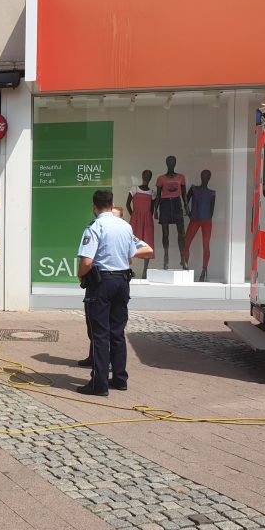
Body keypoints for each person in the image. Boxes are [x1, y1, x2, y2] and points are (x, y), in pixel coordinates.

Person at [77, 190, 153, 396]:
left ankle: (99, 384)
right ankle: (119, 379)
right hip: (122, 282)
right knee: (117, 333)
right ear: (111, 205)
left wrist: (80, 276)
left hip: (102, 283)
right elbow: (131, 255)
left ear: (94, 206)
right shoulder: (126, 226)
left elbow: (86, 262)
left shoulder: (95, 227)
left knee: (100, 334)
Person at [184, 169, 216, 282]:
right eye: (203, 176)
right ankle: (185, 267)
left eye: (207, 176)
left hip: (206, 220)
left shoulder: (212, 193)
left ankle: (204, 270)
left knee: (206, 246)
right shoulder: (194, 189)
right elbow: (185, 201)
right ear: (200, 176)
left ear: (209, 178)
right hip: (196, 219)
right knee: (186, 243)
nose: (205, 178)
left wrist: (192, 213)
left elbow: (212, 210)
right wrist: (188, 213)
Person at [126, 170, 157, 279]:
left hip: (147, 219)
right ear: (142, 176)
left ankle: (145, 270)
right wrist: (133, 215)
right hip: (136, 219)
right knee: (130, 241)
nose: (146, 177)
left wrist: (148, 217)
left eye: (149, 176)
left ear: (150, 178)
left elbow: (152, 209)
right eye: (145, 175)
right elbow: (127, 204)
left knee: (147, 242)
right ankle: (126, 267)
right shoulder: (134, 189)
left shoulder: (152, 192)